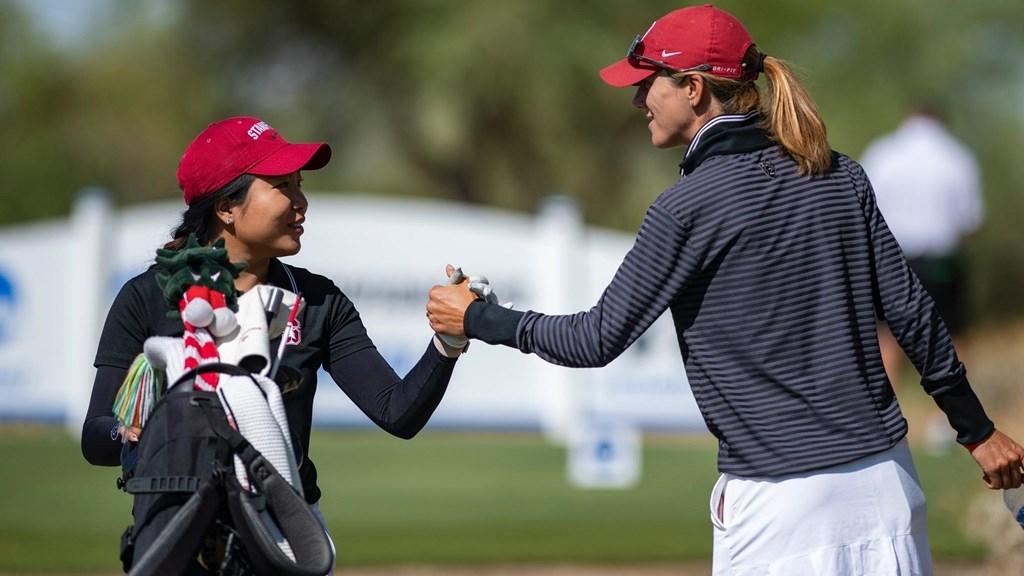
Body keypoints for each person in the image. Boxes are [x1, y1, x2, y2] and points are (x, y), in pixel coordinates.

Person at [426, 5, 1024, 574]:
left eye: (648, 82)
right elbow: (915, 315)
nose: (638, 99)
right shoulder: (841, 175)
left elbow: (595, 338)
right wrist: (975, 431)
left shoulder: (686, 206)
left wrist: (480, 319)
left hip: (781, 510)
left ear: (692, 88)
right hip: (889, 487)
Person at [82, 116, 467, 557]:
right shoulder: (146, 298)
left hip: (285, 535)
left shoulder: (319, 300)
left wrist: (448, 343)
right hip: (172, 533)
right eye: (283, 185)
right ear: (227, 207)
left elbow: (396, 412)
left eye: (299, 184)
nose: (300, 202)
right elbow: (96, 437)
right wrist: (131, 434)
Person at [860, 105, 983, 403]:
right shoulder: (958, 157)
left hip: (892, 257)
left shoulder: (883, 152)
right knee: (953, 335)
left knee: (888, 335)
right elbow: (971, 221)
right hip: (942, 260)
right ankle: (955, 415)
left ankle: (889, 408)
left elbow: (863, 209)